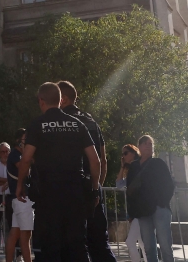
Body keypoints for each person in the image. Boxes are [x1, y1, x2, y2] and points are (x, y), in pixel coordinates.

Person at [15, 82, 101, 262]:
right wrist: (93, 188)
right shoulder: (77, 124)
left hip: (48, 194)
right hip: (75, 193)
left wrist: (20, 184)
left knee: (49, 246)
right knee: (77, 246)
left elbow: (26, 158)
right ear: (61, 100)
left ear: (41, 101)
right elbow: (95, 160)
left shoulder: (38, 125)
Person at [59, 81, 115, 262]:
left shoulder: (60, 120)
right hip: (92, 188)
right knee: (100, 244)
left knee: (73, 246)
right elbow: (102, 160)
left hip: (71, 189)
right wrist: (96, 186)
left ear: (64, 99)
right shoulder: (92, 121)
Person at [127, 135, 174, 262]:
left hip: (159, 208)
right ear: (140, 147)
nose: (149, 146)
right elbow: (130, 190)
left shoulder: (158, 163)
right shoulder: (134, 167)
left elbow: (169, 184)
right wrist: (132, 212)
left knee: (165, 245)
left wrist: (162, 202)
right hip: (142, 211)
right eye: (146, 143)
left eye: (151, 144)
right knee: (148, 247)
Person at [116, 144, 144, 262]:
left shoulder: (139, 166)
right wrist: (122, 167)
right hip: (136, 211)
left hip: (141, 210)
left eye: (125, 153)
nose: (123, 156)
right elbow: (119, 185)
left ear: (133, 153)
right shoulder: (131, 169)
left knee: (131, 241)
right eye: (122, 154)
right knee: (142, 242)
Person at [2, 129, 26, 262]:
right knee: (19, 233)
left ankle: (19, 257)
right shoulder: (15, 155)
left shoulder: (21, 154)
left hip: (22, 199)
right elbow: (24, 168)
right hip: (17, 199)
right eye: (24, 138)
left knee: (20, 232)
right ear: (18, 140)